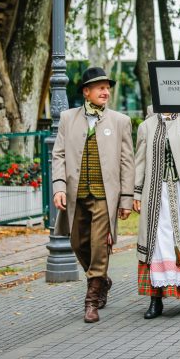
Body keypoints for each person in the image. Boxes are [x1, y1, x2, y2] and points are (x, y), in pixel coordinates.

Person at [52, 66, 134, 323]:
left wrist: (126, 199)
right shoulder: (68, 118)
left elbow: (127, 163)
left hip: (104, 197)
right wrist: (59, 187)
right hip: (76, 195)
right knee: (78, 243)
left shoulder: (120, 121)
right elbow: (59, 155)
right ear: (86, 92)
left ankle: (91, 300)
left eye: (107, 87)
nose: (105, 92)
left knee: (100, 247)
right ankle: (102, 280)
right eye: (99, 87)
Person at [134, 109, 180, 319]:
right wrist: (137, 193)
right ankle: (156, 298)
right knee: (158, 241)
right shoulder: (146, 126)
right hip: (156, 195)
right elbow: (140, 161)